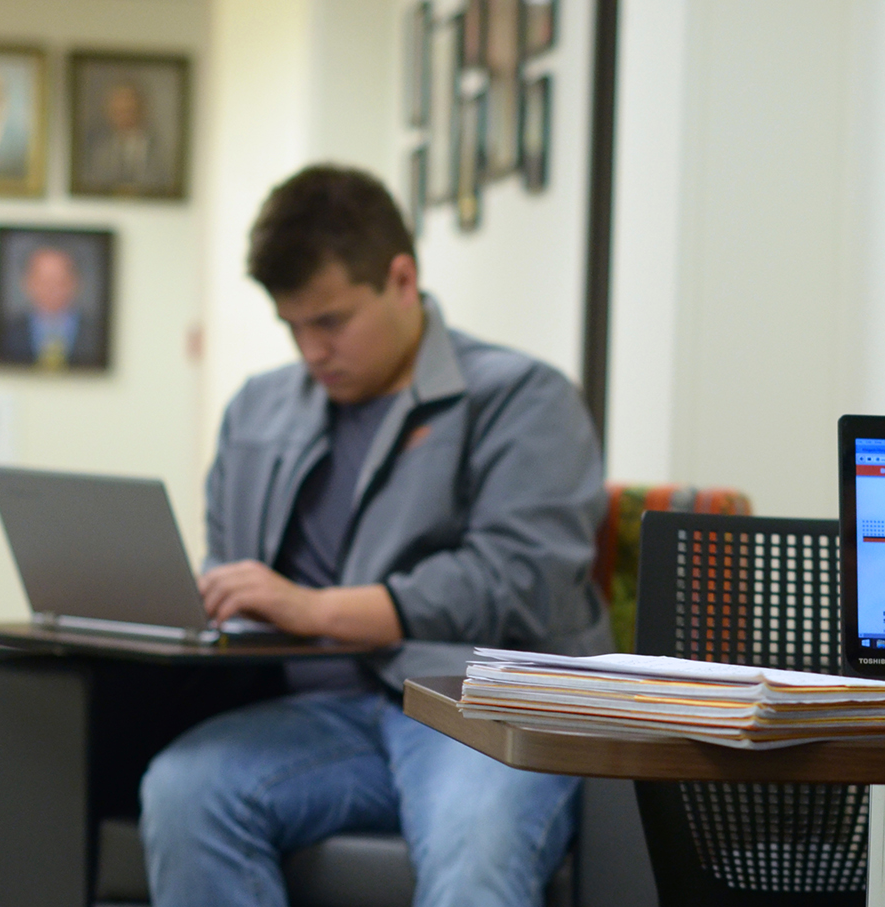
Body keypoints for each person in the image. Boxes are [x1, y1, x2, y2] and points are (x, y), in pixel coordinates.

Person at [138, 165, 610, 907]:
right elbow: (231, 566)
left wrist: (318, 609)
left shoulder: (523, 397)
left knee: (476, 843)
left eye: (330, 322)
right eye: (293, 326)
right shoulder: (258, 409)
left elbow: (520, 577)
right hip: (322, 717)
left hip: (478, 709)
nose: (311, 351)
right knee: (185, 788)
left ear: (402, 279)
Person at [0, 246, 106, 369]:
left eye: (60, 281)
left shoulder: (99, 333)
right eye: (43, 281)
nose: (51, 289)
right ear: (27, 283)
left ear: (76, 282)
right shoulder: (6, 333)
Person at [83, 79, 169, 193]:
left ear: (142, 110)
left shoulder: (161, 148)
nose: (123, 117)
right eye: (118, 111)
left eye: (128, 110)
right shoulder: (97, 148)